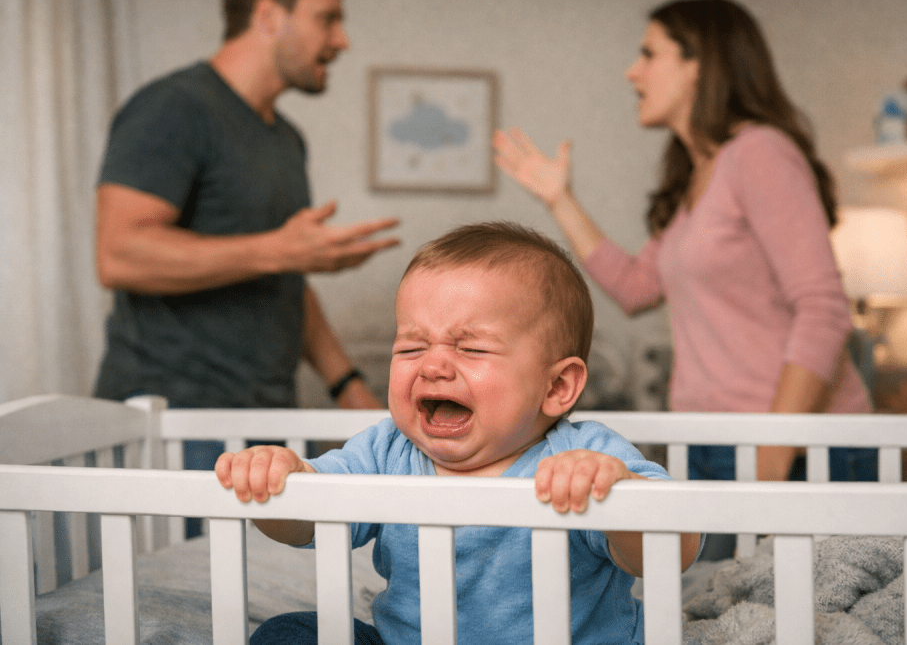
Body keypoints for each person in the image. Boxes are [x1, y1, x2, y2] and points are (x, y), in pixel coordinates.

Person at [217, 222, 704, 645]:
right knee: (289, 635)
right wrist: (278, 485)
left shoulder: (584, 454)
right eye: (410, 347)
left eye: (470, 348)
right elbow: (307, 525)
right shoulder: (387, 450)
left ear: (556, 386)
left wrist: (614, 495)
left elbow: (673, 550)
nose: (431, 365)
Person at [493, 0, 873, 490]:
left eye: (649, 54)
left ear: (700, 64)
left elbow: (823, 308)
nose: (633, 72)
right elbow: (635, 288)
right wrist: (559, 199)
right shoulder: (695, 178)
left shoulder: (760, 154)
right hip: (711, 441)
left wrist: (776, 450)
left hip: (795, 449)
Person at [93, 0, 399, 491]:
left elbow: (282, 277)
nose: (342, 40)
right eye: (327, 19)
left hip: (266, 421)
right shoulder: (174, 108)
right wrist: (281, 251)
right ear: (267, 15)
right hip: (174, 421)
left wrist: (348, 386)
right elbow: (119, 253)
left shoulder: (286, 139)